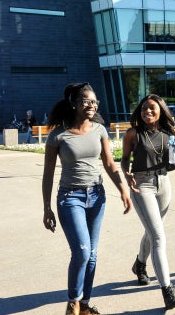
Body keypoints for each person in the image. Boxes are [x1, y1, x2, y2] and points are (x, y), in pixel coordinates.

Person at [42, 82, 132, 315]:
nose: (91, 105)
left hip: (97, 195)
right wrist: (47, 208)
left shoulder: (99, 130)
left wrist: (122, 189)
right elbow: (48, 173)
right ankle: (72, 302)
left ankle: (84, 305)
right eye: (86, 101)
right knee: (81, 251)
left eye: (94, 102)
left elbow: (110, 163)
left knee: (92, 254)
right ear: (73, 104)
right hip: (70, 197)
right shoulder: (57, 135)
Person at [121, 94, 175, 310]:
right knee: (158, 236)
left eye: (152, 108)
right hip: (142, 185)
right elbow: (125, 159)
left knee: (152, 231)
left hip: (164, 182)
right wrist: (127, 175)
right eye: (144, 108)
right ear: (140, 111)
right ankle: (167, 290)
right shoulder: (132, 134)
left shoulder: (169, 133)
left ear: (160, 110)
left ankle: (139, 264)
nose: (147, 112)